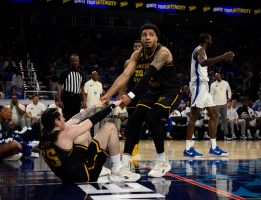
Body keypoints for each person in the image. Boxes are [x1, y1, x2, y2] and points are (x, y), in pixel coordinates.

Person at [102, 23, 183, 177]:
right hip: (153, 91)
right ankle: (125, 163)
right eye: (144, 34)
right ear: (141, 38)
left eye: (151, 34)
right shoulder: (137, 54)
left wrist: (130, 96)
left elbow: (147, 76)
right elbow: (125, 75)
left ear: (157, 38)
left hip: (171, 90)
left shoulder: (163, 52)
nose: (147, 37)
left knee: (153, 117)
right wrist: (108, 95)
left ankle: (162, 161)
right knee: (135, 118)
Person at [39, 100, 140, 183]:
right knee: (110, 127)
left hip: (67, 178)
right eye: (62, 117)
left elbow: (75, 119)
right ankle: (117, 170)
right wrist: (113, 105)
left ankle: (99, 166)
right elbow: (93, 119)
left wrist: (94, 106)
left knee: (83, 133)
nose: (64, 119)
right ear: (57, 122)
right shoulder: (66, 134)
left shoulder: (45, 135)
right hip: (86, 175)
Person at [183, 33, 235, 157]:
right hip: (199, 85)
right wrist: (223, 57)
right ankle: (188, 148)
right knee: (194, 115)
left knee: (214, 114)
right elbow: (203, 63)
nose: (211, 41)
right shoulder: (199, 49)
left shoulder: (202, 50)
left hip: (204, 87)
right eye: (210, 39)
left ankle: (213, 147)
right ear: (207, 40)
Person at [57, 54, 86, 121]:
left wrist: (84, 100)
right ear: (71, 62)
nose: (76, 62)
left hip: (77, 98)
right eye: (74, 61)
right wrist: (59, 99)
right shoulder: (65, 72)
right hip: (67, 98)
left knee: (76, 119)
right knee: (67, 119)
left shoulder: (81, 74)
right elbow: (59, 86)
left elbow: (82, 88)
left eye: (77, 61)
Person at [210, 72, 232, 140]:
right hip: (216, 104)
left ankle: (226, 135)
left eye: (218, 76)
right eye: (216, 77)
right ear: (215, 78)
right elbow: (211, 94)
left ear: (220, 76)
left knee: (224, 120)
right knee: (215, 120)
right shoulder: (213, 84)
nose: (217, 77)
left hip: (224, 104)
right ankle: (214, 135)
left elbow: (229, 90)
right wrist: (212, 103)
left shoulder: (225, 83)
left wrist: (229, 97)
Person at [84, 71, 103, 135]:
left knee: (97, 121)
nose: (96, 76)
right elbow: (85, 95)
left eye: (97, 75)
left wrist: (101, 103)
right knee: (89, 121)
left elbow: (100, 95)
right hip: (90, 105)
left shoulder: (100, 84)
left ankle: (96, 135)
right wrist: (85, 103)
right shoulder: (87, 83)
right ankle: (88, 135)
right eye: (95, 75)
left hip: (98, 105)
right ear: (92, 76)